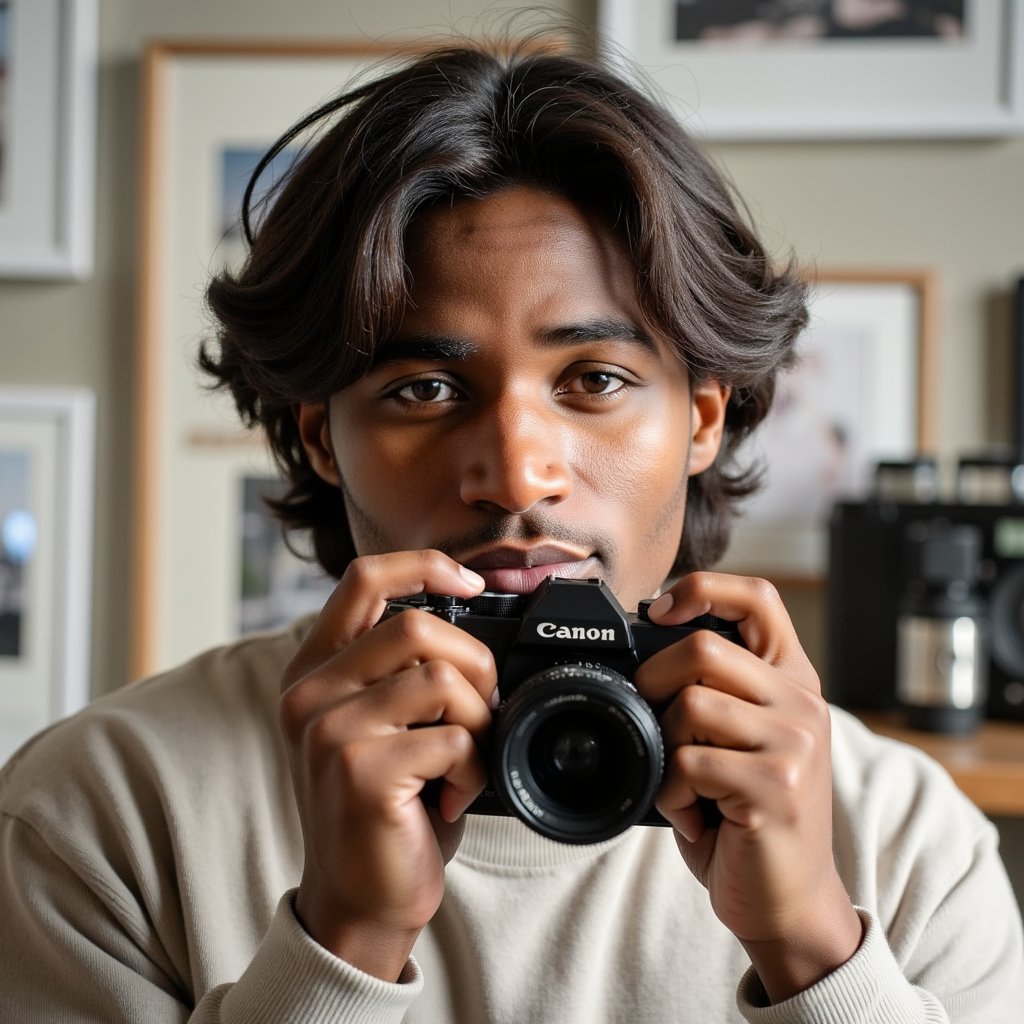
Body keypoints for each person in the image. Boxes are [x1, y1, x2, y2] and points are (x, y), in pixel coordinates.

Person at [1, 35, 1022, 1024]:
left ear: (701, 419)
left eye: (596, 380)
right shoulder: (102, 813)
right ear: (321, 437)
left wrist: (812, 951)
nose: (517, 474)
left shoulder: (904, 840)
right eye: (427, 387)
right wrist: (339, 945)